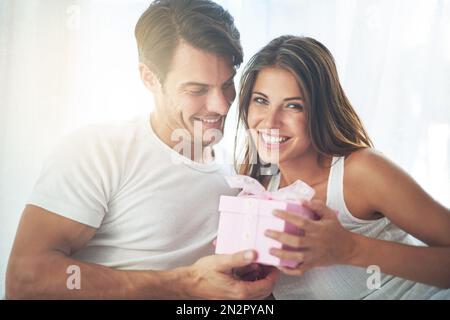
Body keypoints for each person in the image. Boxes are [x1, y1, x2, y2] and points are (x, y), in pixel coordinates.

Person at [5, 0, 277, 299]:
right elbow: (26, 279)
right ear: (149, 78)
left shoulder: (236, 175)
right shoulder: (99, 151)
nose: (222, 105)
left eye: (227, 84)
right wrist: (183, 282)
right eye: (197, 90)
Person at [235, 35, 450, 299]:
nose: (271, 121)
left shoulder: (361, 172)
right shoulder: (257, 187)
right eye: (261, 100)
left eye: (293, 105)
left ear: (321, 110)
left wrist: (350, 248)